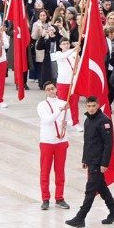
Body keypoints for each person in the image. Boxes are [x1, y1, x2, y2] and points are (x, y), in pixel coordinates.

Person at [66, 96, 114, 228]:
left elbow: (108, 145)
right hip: (91, 160)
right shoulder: (88, 120)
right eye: (89, 106)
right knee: (101, 187)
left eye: (93, 106)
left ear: (98, 105)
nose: (91, 109)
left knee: (90, 190)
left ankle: (80, 217)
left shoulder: (104, 121)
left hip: (98, 162)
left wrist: (104, 163)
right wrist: (85, 159)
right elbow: (88, 143)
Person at [37, 81, 70, 210]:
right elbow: (47, 120)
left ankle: (59, 197)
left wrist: (67, 123)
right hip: (47, 141)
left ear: (56, 89)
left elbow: (71, 121)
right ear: (45, 92)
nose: (51, 91)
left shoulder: (64, 103)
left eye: (52, 88)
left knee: (60, 171)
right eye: (48, 89)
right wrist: (59, 111)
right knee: (45, 171)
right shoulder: (42, 105)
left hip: (61, 141)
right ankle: (45, 198)